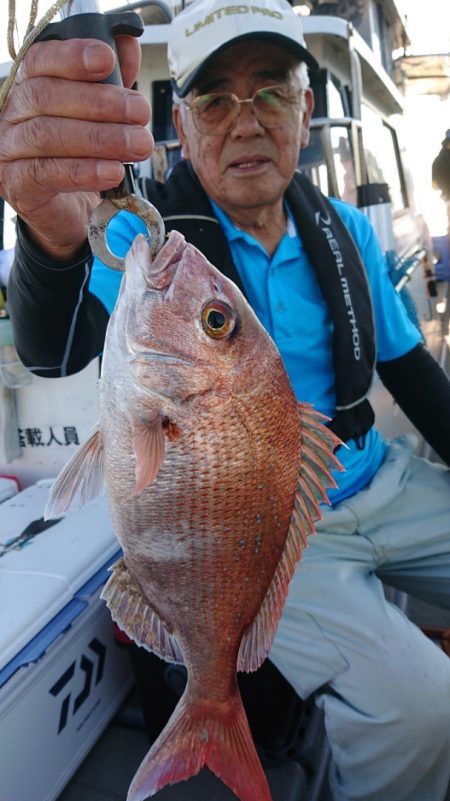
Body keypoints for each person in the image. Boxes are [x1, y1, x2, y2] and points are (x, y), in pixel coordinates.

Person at [1, 0, 450, 798]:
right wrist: (47, 232)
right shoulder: (149, 250)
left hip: (378, 479)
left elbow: (414, 373)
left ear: (306, 110)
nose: (246, 122)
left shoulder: (345, 228)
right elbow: (55, 341)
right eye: (215, 98)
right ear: (181, 120)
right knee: (425, 710)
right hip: (272, 535)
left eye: (272, 91)